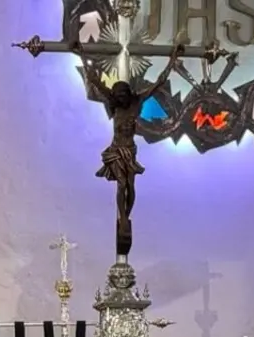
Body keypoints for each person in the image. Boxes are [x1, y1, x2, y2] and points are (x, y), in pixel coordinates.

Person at [73, 40, 185, 256]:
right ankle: (122, 218)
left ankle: (127, 215)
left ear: (129, 94)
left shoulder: (137, 102)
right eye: (119, 95)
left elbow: (159, 82)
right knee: (121, 185)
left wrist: (172, 59)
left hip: (130, 150)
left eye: (124, 95)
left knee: (131, 188)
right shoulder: (113, 101)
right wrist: (81, 54)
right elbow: (94, 80)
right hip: (116, 149)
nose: (122, 98)